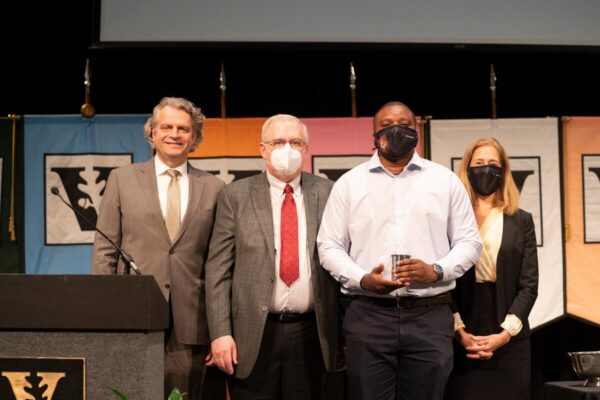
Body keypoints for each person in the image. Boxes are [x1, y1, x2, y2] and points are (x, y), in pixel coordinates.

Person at [317, 101, 482, 400]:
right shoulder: (349, 184)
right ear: (374, 134)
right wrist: (362, 278)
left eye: (405, 125)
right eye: (387, 125)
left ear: (416, 131)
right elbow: (328, 246)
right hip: (368, 316)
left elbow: (470, 242)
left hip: (429, 317)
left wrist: (436, 271)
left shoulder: (444, 181)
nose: (396, 130)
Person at [91, 97, 225, 399]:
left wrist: (219, 329)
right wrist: (104, 311)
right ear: (152, 133)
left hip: (191, 322)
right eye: (166, 127)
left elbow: (219, 263)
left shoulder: (215, 188)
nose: (174, 134)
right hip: (132, 313)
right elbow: (105, 251)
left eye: (183, 129)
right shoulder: (121, 179)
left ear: (195, 137)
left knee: (182, 394)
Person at [205, 114, 338, 399]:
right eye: (278, 142)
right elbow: (218, 270)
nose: (287, 149)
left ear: (305, 149)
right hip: (252, 335)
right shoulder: (235, 195)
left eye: (295, 142)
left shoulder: (328, 192)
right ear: (263, 149)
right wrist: (220, 333)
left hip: (313, 334)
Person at [445, 137, 539, 400]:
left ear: (503, 170)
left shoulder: (521, 221)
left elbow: (529, 285)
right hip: (461, 331)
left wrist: (504, 335)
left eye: (492, 163)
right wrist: (459, 331)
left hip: (509, 333)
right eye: (479, 163)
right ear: (466, 168)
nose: (485, 169)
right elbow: (442, 280)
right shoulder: (450, 217)